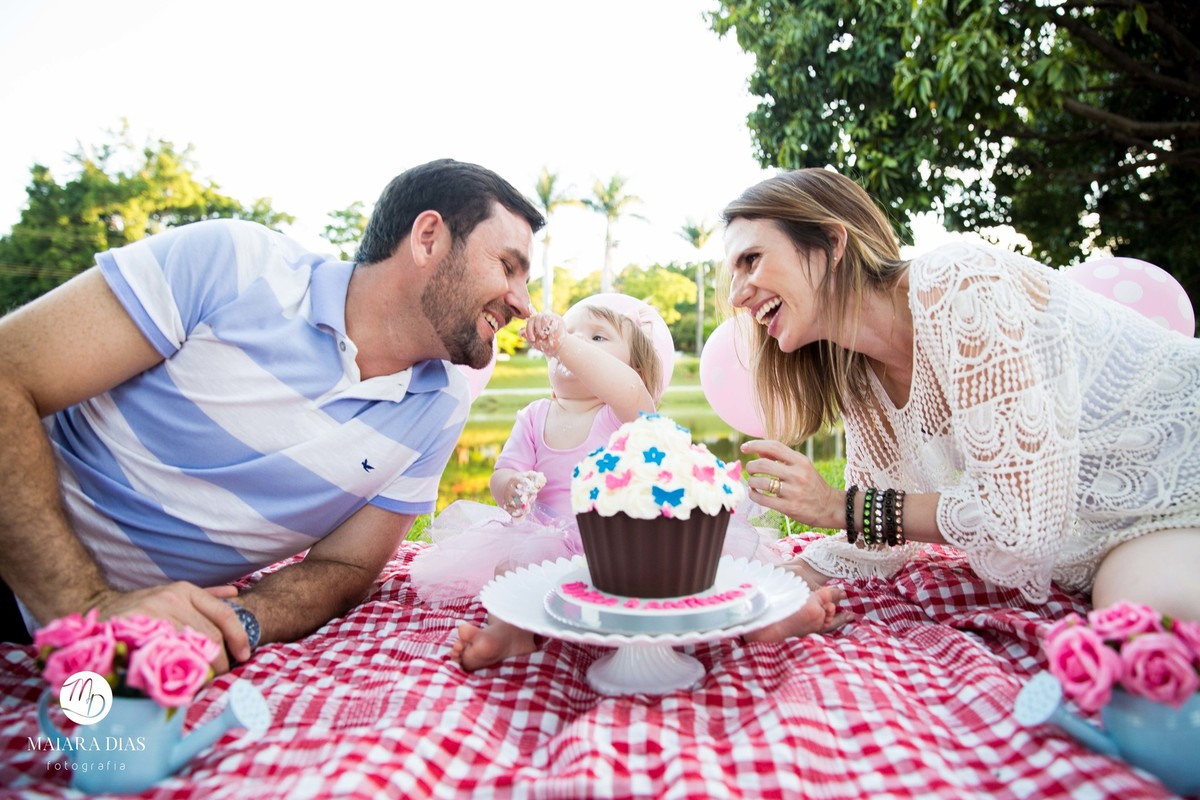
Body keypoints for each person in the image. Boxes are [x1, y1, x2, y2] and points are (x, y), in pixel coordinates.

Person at [0, 158, 545, 672]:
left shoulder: (440, 405)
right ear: (428, 238)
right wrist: (82, 610)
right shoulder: (233, 263)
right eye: (508, 267)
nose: (524, 303)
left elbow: (345, 569)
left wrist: (234, 624)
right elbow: (7, 374)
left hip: (118, 647)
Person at [721, 167, 1200, 622]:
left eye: (751, 260)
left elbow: (1017, 520)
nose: (736, 295)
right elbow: (879, 533)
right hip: (1115, 533)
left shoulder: (955, 283)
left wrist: (837, 506)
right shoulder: (860, 374)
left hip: (1186, 464)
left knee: (1155, 614)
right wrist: (792, 574)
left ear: (831, 241)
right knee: (1136, 621)